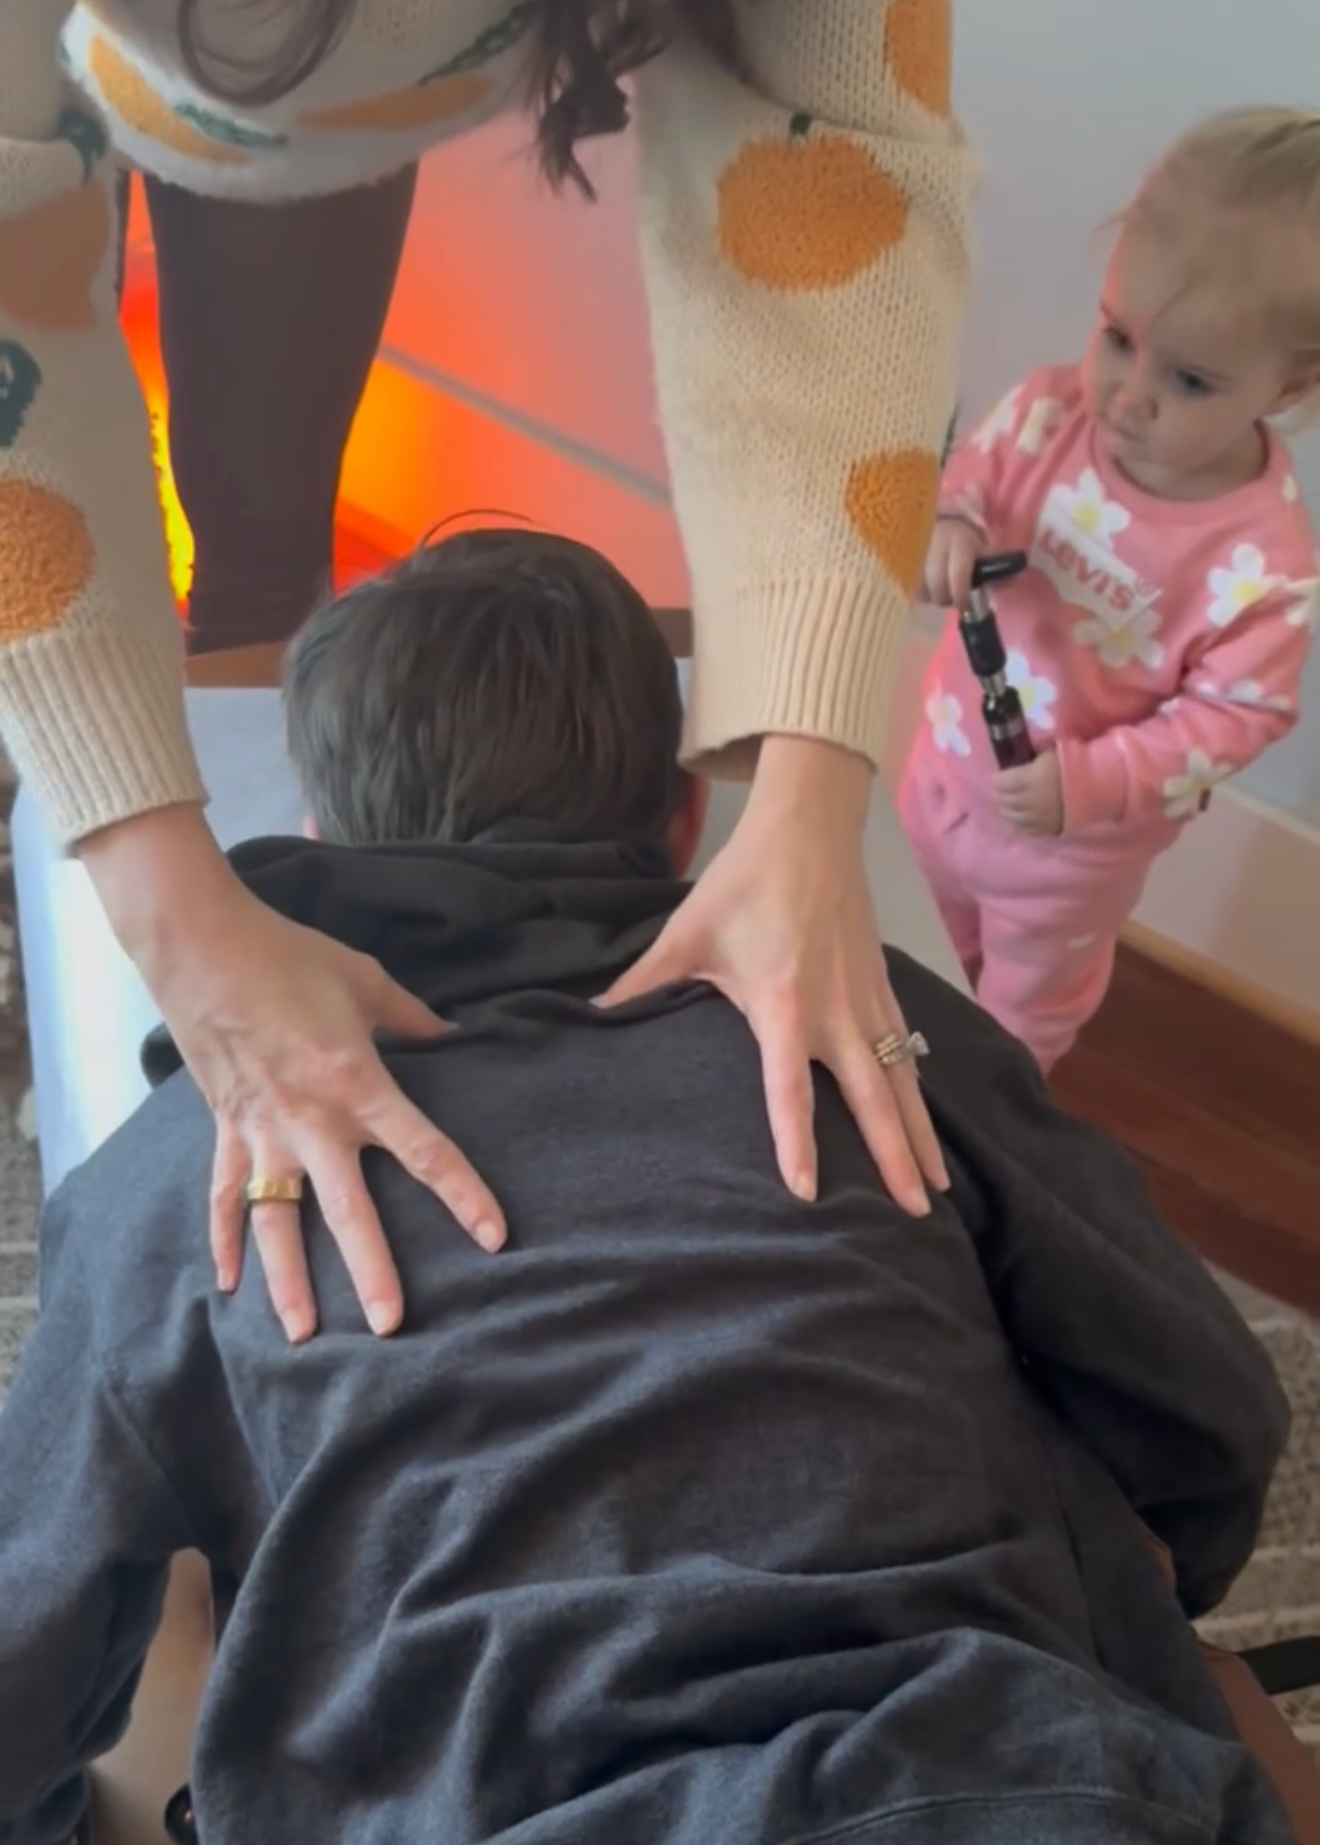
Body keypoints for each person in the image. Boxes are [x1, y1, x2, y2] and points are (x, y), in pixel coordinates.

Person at [0, 529, 1316, 1845]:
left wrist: (33, 1844)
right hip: (1008, 1814)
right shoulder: (870, 1024)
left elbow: (32, 1597)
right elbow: (1205, 1393)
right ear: (684, 820)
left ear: (324, 833)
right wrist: (1173, 1558)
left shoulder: (200, 1153)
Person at [0, 0, 971, 1329]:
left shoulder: (144, 1203)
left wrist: (809, 799)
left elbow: (838, 170)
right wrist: (158, 902)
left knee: (264, 563)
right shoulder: (957, 1097)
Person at [899, 106, 1319, 1071]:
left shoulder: (1265, 565)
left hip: (1065, 855)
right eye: (1118, 337)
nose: (1128, 395)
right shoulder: (1050, 414)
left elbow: (1231, 721)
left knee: (1016, 1025)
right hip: (942, 774)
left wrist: (1089, 785)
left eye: (1191, 380)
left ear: (1290, 386)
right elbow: (969, 481)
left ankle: (983, 1142)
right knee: (900, 944)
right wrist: (951, 524)